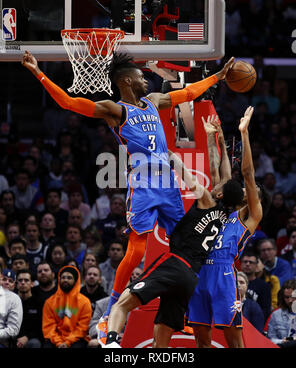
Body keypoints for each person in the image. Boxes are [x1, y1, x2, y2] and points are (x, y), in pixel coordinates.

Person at [22, 49, 234, 338]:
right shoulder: (115, 110)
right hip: (144, 184)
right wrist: (38, 72)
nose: (145, 80)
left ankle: (181, 313)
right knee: (138, 248)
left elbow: (186, 94)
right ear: (125, 81)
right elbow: (69, 102)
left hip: (168, 184)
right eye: (140, 76)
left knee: (186, 248)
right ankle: (110, 312)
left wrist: (216, 77)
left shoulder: (153, 101)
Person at [102, 112, 240, 348]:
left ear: (219, 193)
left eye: (219, 186)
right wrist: (214, 138)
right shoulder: (227, 211)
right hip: (190, 279)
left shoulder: (207, 199)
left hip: (175, 264)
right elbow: (221, 172)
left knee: (121, 304)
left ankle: (111, 340)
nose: (216, 182)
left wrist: (170, 156)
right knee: (162, 337)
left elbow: (194, 177)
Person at [187, 106, 263, 348]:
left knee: (234, 344)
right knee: (201, 342)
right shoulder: (219, 208)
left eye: (250, 192)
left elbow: (248, 174)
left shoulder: (248, 218)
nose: (245, 189)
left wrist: (244, 133)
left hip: (224, 276)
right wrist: (213, 139)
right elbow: (217, 170)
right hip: (198, 274)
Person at [42, 265, 92, 348]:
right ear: (59, 279)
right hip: (55, 340)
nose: (65, 280)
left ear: (75, 281)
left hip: (76, 339)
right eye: (63, 277)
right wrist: (59, 342)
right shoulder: (49, 302)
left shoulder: (84, 302)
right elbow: (49, 327)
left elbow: (82, 328)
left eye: (69, 278)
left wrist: (67, 342)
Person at [267, 279, 296, 348]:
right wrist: (282, 341)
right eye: (287, 297)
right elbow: (270, 339)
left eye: (293, 297)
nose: (290, 300)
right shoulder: (276, 315)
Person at [240, 251, 272, 322]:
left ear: (256, 265)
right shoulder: (233, 283)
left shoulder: (264, 286)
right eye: (245, 262)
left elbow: (266, 310)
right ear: (241, 263)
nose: (247, 264)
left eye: (251, 262)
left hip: (254, 323)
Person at [15, 269, 41, 348]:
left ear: (32, 284)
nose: (23, 282)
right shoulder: (10, 302)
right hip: (13, 338)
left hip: (31, 339)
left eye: (26, 280)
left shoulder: (39, 302)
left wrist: (27, 337)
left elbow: (40, 326)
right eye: (20, 280)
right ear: (16, 284)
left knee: (34, 343)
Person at [0, 281, 23, 348]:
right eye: (5, 279)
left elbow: (13, 329)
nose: (7, 283)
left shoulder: (14, 299)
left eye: (10, 281)